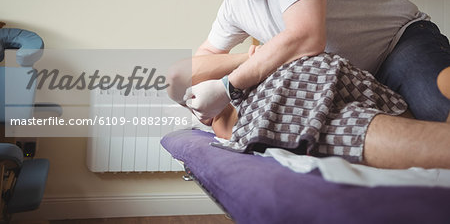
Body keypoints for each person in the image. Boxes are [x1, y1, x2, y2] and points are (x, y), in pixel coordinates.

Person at [183, 0, 450, 124]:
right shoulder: (234, 4)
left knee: (439, 113)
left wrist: (226, 87)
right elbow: (199, 63)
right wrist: (245, 60)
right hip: (355, 79)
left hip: (399, 44)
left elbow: (307, 37)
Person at [168, 45, 450, 170]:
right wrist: (256, 57)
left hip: (302, 80)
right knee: (349, 122)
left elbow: (178, 77)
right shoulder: (221, 117)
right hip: (322, 79)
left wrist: (245, 66)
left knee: (340, 127)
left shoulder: (241, 84)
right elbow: (176, 80)